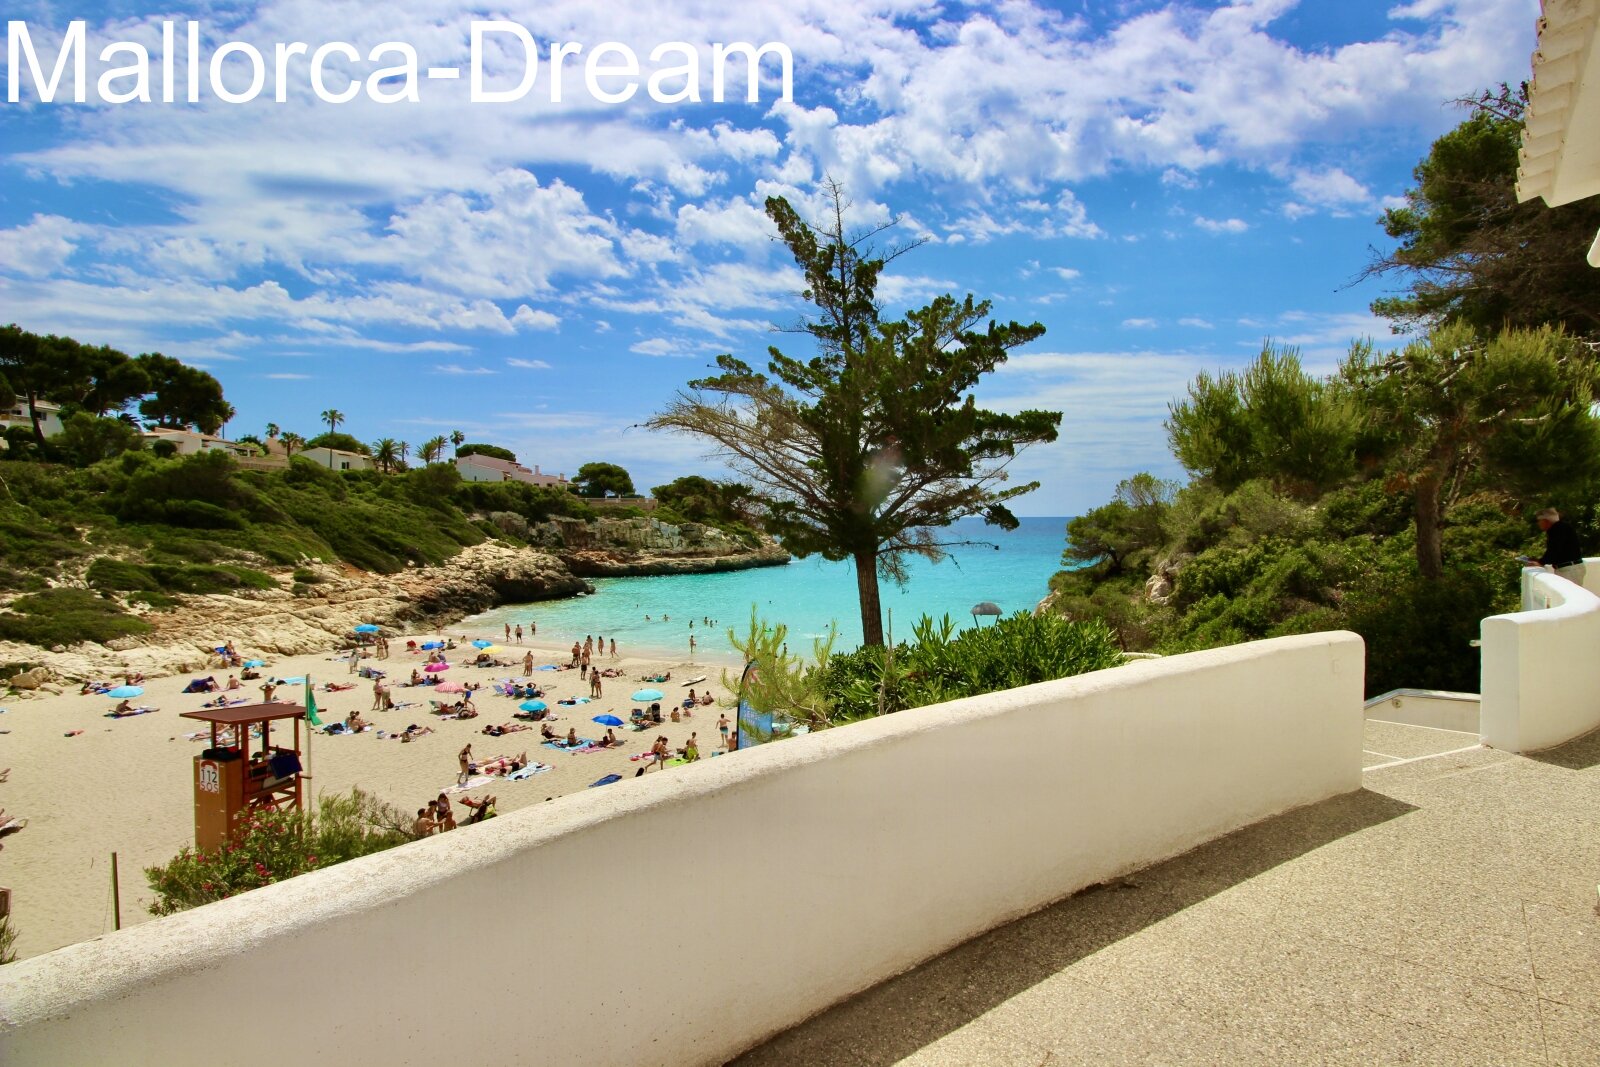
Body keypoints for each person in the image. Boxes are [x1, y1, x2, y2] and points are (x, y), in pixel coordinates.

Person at [1534, 508, 1585, 585]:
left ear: (1546, 521)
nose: (1538, 523)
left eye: (1539, 521)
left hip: (1569, 570)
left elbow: (1554, 549)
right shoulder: (1559, 528)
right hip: (1568, 569)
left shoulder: (1558, 530)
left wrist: (1541, 562)